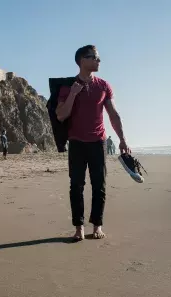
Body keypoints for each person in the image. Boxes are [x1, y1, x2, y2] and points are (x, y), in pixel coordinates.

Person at [55, 45, 131, 241]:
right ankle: (79, 228)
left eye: (98, 58)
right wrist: (73, 93)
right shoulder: (67, 86)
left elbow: (113, 115)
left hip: (98, 142)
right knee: (76, 185)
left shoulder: (104, 85)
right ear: (82, 60)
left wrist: (123, 139)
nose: (98, 61)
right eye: (94, 58)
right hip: (77, 143)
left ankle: (97, 226)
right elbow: (61, 115)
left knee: (100, 185)